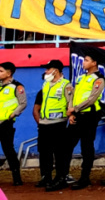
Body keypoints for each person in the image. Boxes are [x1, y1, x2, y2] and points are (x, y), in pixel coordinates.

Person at [57, 53, 105, 190]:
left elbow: (92, 99)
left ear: (94, 63)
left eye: (87, 60)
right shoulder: (81, 77)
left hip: (89, 116)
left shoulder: (99, 79)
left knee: (86, 147)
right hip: (77, 115)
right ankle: (62, 176)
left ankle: (85, 178)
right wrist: (71, 112)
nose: (83, 62)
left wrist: (74, 109)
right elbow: (73, 95)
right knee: (66, 145)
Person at [35, 60, 71, 189]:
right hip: (44, 123)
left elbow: (70, 103)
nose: (46, 72)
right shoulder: (46, 84)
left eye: (48, 69)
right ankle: (46, 177)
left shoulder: (66, 85)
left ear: (56, 70)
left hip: (58, 124)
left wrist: (70, 116)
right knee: (44, 152)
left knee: (59, 153)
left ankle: (60, 178)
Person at [0, 62, 26, 187]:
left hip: (6, 124)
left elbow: (23, 103)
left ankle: (16, 177)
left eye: (1, 71)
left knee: (8, 150)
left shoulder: (17, 86)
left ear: (9, 73)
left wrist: (13, 114)